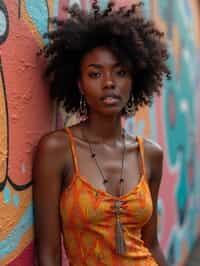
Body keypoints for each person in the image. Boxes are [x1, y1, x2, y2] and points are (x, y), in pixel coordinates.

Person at [33, 1, 170, 265]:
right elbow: (48, 253)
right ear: (80, 85)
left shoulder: (151, 154)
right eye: (95, 74)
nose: (109, 83)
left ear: (134, 80)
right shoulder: (57, 149)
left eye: (120, 72)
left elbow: (151, 244)